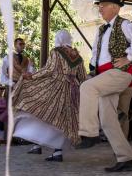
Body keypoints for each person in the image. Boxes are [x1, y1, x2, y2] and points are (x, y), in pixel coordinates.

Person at [77, 0, 132, 172]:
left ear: (115, 8)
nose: (99, 8)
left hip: (119, 73)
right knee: (108, 120)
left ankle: (89, 133)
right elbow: (95, 54)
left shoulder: (124, 24)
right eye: (99, 5)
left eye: (103, 5)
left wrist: (129, 57)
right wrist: (92, 71)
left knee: (86, 88)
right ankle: (126, 159)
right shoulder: (101, 30)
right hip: (105, 76)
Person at [12, 30, 86, 162]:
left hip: (56, 87)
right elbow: (83, 77)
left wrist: (32, 76)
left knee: (47, 114)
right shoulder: (78, 56)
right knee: (63, 119)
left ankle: (39, 143)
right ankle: (57, 152)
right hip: (73, 90)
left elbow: (49, 70)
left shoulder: (56, 52)